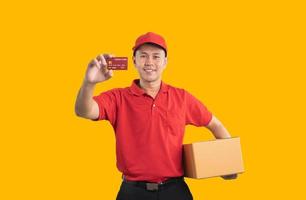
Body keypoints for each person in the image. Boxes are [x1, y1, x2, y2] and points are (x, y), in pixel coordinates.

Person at [75, 32, 237, 200]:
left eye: (156, 56)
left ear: (165, 62)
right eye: (143, 56)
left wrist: (229, 162)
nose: (149, 62)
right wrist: (89, 83)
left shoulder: (181, 97)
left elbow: (215, 124)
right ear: (134, 61)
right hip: (133, 192)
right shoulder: (118, 98)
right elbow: (84, 111)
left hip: (175, 191)